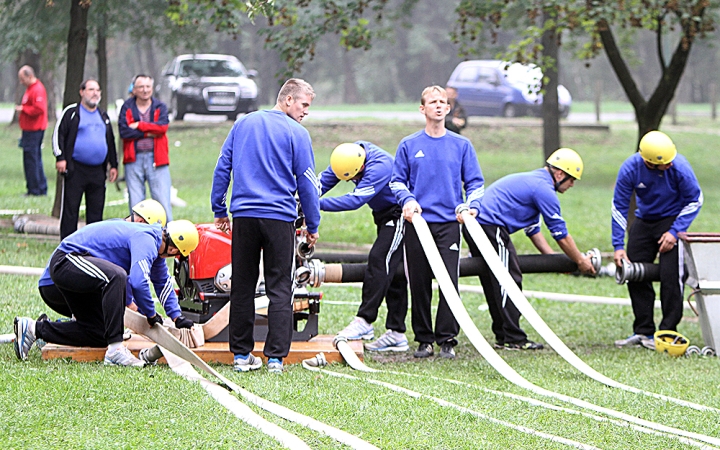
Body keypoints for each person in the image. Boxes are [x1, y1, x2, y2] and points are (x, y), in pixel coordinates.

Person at [211, 78, 321, 373]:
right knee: (280, 288)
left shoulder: (243, 124)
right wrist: (313, 224)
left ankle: (240, 356)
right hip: (279, 218)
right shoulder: (297, 133)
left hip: (244, 217)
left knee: (243, 286)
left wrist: (219, 209)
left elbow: (223, 166)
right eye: (304, 104)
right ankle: (274, 359)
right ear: (288, 100)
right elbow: (308, 183)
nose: (306, 112)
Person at [14, 219, 199, 367]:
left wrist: (177, 317)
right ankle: (116, 351)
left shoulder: (156, 251)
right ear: (174, 249)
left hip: (79, 270)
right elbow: (138, 281)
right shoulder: (147, 239)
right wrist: (150, 314)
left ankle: (33, 329)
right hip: (67, 260)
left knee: (100, 333)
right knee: (117, 276)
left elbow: (162, 282)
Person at [462, 148, 596, 350]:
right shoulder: (543, 189)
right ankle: (514, 338)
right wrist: (580, 261)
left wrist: (551, 260)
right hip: (489, 226)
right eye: (571, 179)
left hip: (474, 225)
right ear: (559, 174)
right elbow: (561, 234)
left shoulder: (534, 182)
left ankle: (503, 335)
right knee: (509, 279)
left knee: (493, 280)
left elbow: (533, 230)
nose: (572, 185)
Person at [390, 85, 485, 359]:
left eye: (443, 102)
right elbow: (396, 182)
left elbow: (476, 184)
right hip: (417, 224)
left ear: (448, 107)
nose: (439, 106)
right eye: (433, 102)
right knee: (418, 283)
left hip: (448, 225)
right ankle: (424, 340)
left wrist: (471, 207)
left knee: (448, 282)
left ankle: (447, 339)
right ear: (423, 109)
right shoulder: (409, 145)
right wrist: (407, 201)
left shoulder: (462, 145)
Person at [612, 131, 702, 349]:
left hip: (672, 219)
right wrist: (618, 246)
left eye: (671, 161)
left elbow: (695, 200)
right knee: (634, 273)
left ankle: (667, 332)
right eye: (664, 164)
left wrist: (674, 232)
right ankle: (643, 332)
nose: (669, 166)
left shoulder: (679, 167)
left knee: (671, 276)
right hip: (644, 220)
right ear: (648, 162)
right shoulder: (630, 169)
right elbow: (619, 208)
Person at [320, 142, 409, 351]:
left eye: (354, 179)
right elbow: (322, 181)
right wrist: (300, 196)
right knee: (393, 271)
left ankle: (365, 321)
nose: (353, 181)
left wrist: (316, 204)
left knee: (379, 260)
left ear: (361, 168)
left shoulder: (380, 167)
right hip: (382, 213)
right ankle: (397, 333)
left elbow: (354, 200)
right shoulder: (347, 157)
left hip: (399, 214)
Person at [37, 199, 168, 318]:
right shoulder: (128, 239)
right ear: (141, 222)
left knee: (98, 327)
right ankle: (42, 329)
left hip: (54, 283)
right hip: (56, 285)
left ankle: (48, 327)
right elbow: (124, 280)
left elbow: (158, 278)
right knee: (106, 319)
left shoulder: (119, 228)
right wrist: (137, 309)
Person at [53, 79, 118, 239]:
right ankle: (67, 246)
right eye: (91, 89)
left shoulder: (103, 116)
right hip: (76, 169)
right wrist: (60, 157)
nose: (95, 93)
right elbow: (58, 135)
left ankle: (92, 246)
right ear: (82, 92)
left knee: (96, 211)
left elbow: (110, 141)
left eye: (97, 90)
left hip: (98, 171)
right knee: (70, 210)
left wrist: (114, 165)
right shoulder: (72, 113)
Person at [118, 74, 173, 222]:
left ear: (152, 88)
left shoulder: (160, 106)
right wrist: (150, 132)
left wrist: (139, 125)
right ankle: (137, 237)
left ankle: (168, 239)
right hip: (133, 160)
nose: (145, 90)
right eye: (141, 87)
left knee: (162, 202)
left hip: (157, 160)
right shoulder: (127, 107)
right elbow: (124, 132)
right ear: (134, 89)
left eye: (148, 86)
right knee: (136, 204)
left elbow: (162, 128)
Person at [16, 65, 48, 196]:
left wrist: (23, 110)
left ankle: (35, 189)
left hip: (35, 129)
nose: (21, 82)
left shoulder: (37, 89)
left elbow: (39, 109)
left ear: (30, 76)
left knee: (32, 160)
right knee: (33, 159)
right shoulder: (30, 89)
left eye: (23, 79)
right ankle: (37, 187)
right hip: (28, 129)